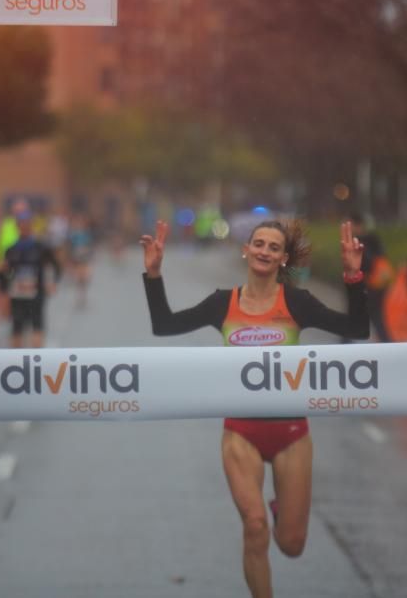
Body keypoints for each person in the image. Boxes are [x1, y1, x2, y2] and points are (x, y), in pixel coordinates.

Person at [140, 219, 368, 598]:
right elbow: (164, 326)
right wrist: (153, 274)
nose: (264, 251)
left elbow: (358, 330)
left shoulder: (296, 302)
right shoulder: (222, 303)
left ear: (283, 259)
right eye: (258, 244)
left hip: (291, 432)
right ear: (246, 250)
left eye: (273, 247)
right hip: (241, 431)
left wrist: (353, 275)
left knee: (291, 545)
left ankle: (282, 509)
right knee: (254, 526)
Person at [0, 212, 61, 349]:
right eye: (21, 224)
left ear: (31, 226)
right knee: (17, 329)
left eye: (27, 224)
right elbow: (4, 275)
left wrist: (53, 283)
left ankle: (37, 363)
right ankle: (16, 363)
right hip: (17, 295)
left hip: (36, 294)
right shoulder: (10, 250)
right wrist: (4, 295)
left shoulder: (41, 247)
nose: (24, 227)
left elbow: (56, 266)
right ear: (17, 226)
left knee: (37, 327)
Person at [349, 212, 392, 342]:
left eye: (351, 225)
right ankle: (387, 342)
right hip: (379, 284)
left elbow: (366, 264)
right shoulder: (374, 239)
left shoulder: (360, 242)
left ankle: (387, 343)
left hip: (368, 286)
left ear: (358, 225)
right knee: (375, 317)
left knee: (371, 317)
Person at [66, 214, 94, 308]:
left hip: (84, 260)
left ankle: (83, 296)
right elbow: (70, 247)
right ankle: (79, 296)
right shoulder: (73, 235)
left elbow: (90, 247)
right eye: (77, 223)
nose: (78, 224)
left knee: (84, 279)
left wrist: (87, 252)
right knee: (78, 280)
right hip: (76, 260)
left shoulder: (86, 234)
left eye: (80, 223)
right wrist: (70, 260)